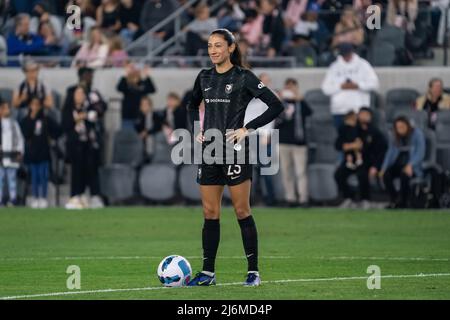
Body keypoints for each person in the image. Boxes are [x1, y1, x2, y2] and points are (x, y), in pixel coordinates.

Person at [186, 28, 283, 287]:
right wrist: (197, 129)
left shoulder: (244, 77)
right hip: (209, 150)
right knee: (210, 212)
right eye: (209, 46)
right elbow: (191, 104)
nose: (213, 51)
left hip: (236, 151)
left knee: (241, 210)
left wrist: (247, 128)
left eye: (218, 45)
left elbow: (276, 105)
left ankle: (253, 271)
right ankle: (207, 273)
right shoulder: (204, 77)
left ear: (231, 48)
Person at [62, 86, 105, 210]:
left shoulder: (88, 108)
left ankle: (94, 196)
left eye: (82, 93)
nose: (81, 96)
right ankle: (75, 196)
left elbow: (98, 113)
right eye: (78, 93)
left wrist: (90, 114)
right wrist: (78, 118)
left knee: (92, 170)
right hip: (75, 145)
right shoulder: (68, 109)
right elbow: (65, 126)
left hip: (89, 145)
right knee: (77, 171)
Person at [321, 42, 379, 129]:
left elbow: (375, 84)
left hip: (359, 110)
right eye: (344, 54)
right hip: (340, 110)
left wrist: (358, 85)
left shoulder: (363, 65)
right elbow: (325, 89)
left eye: (348, 54)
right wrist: (341, 86)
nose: (346, 57)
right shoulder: (334, 67)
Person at [275, 78, 312, 207]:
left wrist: (299, 99)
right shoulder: (280, 103)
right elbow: (275, 119)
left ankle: (303, 199)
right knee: (286, 172)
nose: (290, 89)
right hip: (283, 141)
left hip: (299, 143)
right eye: (288, 87)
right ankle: (290, 198)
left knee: (301, 172)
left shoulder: (300, 103)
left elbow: (309, 112)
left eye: (292, 87)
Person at [20, 96, 61, 209]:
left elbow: (58, 130)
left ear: (41, 106)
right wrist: (31, 118)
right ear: (30, 106)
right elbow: (24, 133)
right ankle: (35, 197)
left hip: (44, 152)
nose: (35, 107)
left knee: (43, 176)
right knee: (34, 176)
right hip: (32, 153)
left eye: (37, 104)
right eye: (33, 104)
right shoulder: (26, 120)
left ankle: (43, 197)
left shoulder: (46, 119)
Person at [244, 73, 277, 206]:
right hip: (249, 134)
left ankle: (270, 199)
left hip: (263, 135)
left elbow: (272, 116)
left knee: (266, 169)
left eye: (268, 80)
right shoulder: (249, 95)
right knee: (248, 170)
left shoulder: (272, 95)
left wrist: (268, 134)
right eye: (263, 80)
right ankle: (249, 199)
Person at [380, 116, 425, 209]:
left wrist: (410, 165)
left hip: (413, 165)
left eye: (402, 127)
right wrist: (383, 168)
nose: (400, 130)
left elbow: (420, 153)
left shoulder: (417, 134)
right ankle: (394, 199)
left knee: (405, 175)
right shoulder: (394, 136)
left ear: (407, 126)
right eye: (398, 128)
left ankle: (403, 202)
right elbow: (390, 153)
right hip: (398, 163)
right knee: (386, 175)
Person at [116, 64, 156, 129]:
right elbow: (119, 88)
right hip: (127, 116)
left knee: (140, 136)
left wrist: (147, 76)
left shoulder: (143, 83)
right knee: (128, 136)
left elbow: (152, 90)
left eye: (137, 71)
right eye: (133, 70)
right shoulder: (126, 83)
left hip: (141, 116)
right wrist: (126, 74)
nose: (135, 73)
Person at [0, 100, 24, 207]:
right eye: (4, 108)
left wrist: (20, 151)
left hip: (12, 155)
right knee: (0, 180)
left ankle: (13, 199)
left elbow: (20, 139)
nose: (6, 110)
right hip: (1, 155)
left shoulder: (14, 124)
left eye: (7, 108)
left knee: (12, 179)